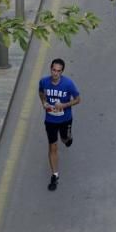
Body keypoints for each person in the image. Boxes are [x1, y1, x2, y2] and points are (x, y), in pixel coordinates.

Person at [39, 58, 80, 191]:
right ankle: (54, 175)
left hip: (65, 120)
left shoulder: (68, 84)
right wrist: (44, 102)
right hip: (50, 120)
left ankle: (68, 137)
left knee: (64, 139)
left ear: (62, 72)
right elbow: (41, 92)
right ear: (50, 69)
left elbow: (78, 99)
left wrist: (64, 105)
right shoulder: (44, 81)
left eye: (58, 71)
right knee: (52, 147)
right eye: (53, 70)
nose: (55, 73)